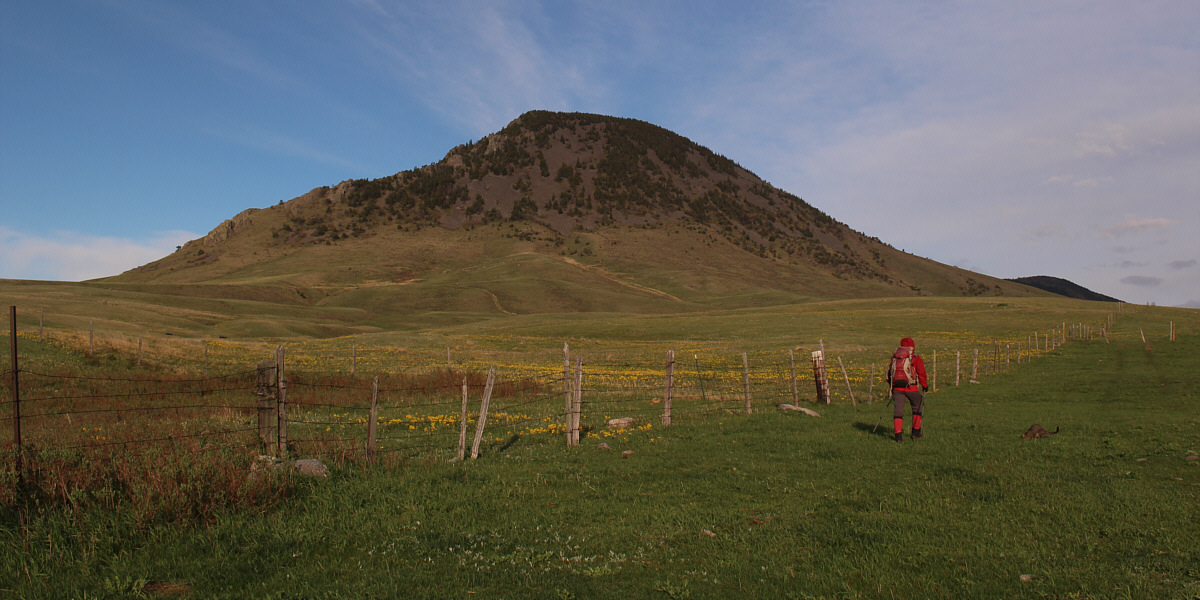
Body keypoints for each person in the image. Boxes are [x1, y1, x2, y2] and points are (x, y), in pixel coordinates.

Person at [887, 337, 928, 442]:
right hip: (911, 387)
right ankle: (916, 431)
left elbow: (890, 374)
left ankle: (898, 435)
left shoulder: (895, 358)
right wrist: (924, 385)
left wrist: (891, 387)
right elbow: (921, 373)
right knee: (917, 407)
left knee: (898, 411)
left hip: (897, 388)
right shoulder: (915, 358)